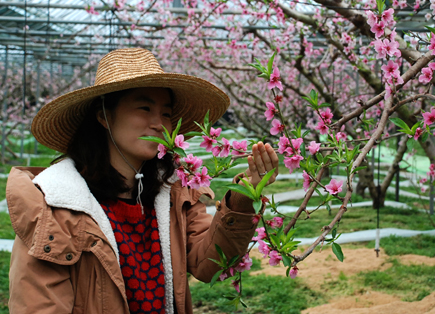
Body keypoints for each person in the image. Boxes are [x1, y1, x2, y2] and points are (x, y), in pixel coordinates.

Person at [6, 48, 279, 314]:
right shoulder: (53, 205)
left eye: (167, 113)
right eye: (144, 107)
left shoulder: (175, 192)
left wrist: (244, 194)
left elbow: (210, 264)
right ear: (104, 116)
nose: (159, 123)